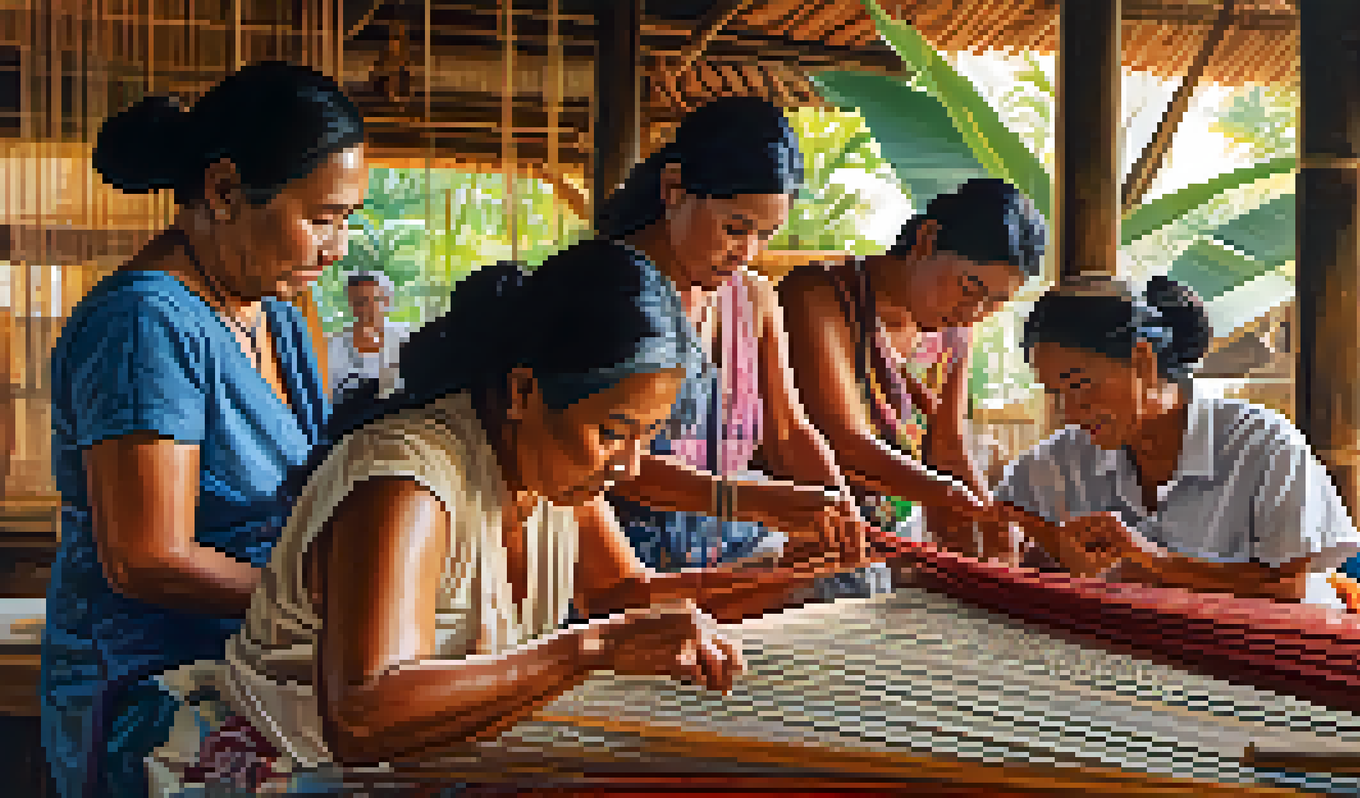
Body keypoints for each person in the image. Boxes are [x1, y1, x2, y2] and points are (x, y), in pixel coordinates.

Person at [146, 250, 867, 794]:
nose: (627, 464)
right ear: (524, 388)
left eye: (645, 436)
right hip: (294, 764)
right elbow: (364, 715)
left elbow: (626, 599)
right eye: (614, 431)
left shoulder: (553, 469)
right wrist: (588, 649)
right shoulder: (407, 485)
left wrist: (796, 580)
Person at [42, 62, 367, 798]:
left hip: (254, 659)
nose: (338, 248)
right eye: (321, 218)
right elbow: (147, 557)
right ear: (223, 191)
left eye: (347, 219)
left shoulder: (274, 315)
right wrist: (323, 601)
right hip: (152, 688)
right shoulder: (144, 322)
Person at [988, 275, 1360, 631]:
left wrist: (1148, 562)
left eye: (1081, 385)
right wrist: (1049, 559)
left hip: (1301, 619)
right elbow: (999, 527)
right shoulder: (1063, 461)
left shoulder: (1257, 442)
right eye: (1056, 393)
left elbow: (1288, 587)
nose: (1069, 409)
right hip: (1183, 649)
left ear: (1144, 361)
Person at [585, 96, 873, 596]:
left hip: (732, 556)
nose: (747, 252)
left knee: (855, 584)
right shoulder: (603, 292)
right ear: (673, 189)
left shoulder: (753, 298)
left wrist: (841, 509)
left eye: (765, 234)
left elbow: (786, 431)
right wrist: (744, 499)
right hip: (623, 568)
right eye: (735, 229)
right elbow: (591, 454)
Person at [777, 179, 1047, 564]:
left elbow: (948, 447)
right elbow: (843, 441)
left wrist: (991, 516)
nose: (975, 311)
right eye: (970, 287)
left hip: (890, 541)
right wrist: (949, 495)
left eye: (996, 302)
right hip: (807, 534)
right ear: (926, 240)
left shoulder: (954, 334)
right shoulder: (820, 296)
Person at [326, 271, 411, 403]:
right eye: (361, 302)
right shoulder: (333, 347)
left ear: (387, 300)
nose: (370, 307)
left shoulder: (404, 337)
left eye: (377, 299)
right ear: (351, 304)